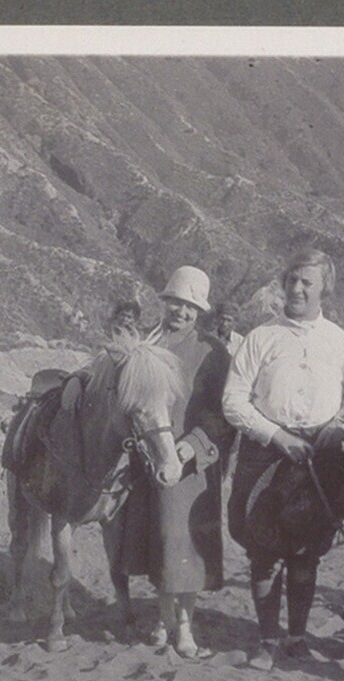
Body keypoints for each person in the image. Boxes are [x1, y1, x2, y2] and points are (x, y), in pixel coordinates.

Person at [223, 248, 344, 663]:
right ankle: (268, 640)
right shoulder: (260, 338)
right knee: (264, 553)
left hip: (321, 457)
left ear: (325, 289)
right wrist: (277, 436)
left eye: (308, 282)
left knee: (307, 554)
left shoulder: (340, 342)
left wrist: (337, 424)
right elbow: (233, 401)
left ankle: (298, 638)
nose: (298, 289)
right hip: (266, 453)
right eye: (292, 280)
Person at [113, 265, 234, 659]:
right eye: (176, 303)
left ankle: (184, 627)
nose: (181, 311)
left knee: (185, 547)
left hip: (191, 466)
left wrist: (192, 446)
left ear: (199, 312)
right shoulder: (146, 342)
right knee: (160, 545)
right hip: (148, 460)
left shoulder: (212, 352)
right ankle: (165, 620)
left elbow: (223, 414)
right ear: (164, 302)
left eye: (189, 306)